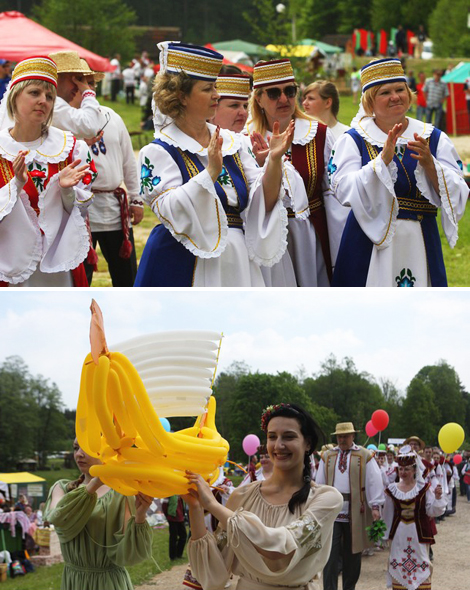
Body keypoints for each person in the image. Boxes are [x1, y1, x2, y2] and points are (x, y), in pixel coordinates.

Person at [134, 42, 293, 287]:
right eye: (208, 89)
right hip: (183, 260)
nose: (217, 95)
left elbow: (263, 199)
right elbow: (169, 210)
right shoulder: (158, 151)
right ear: (181, 96)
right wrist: (209, 174)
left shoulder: (232, 143)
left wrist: (273, 161)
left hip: (235, 260)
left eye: (215, 88)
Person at [329, 58, 468, 287]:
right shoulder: (354, 140)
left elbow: (460, 190)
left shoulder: (432, 137)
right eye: (385, 92)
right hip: (368, 244)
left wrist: (431, 165)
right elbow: (342, 189)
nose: (395, 97)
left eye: (400, 89)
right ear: (370, 102)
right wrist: (380, 162)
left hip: (421, 240)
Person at [185, 403, 343, 590]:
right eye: (272, 437)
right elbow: (214, 569)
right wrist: (195, 507)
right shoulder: (242, 495)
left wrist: (212, 504)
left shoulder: (326, 499)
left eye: (289, 436)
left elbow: (279, 549)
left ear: (307, 443)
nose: (278, 445)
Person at [0, 56, 94, 287]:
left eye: (49, 96)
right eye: (34, 93)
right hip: (10, 261)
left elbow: (81, 211)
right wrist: (16, 186)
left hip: (57, 261)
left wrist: (66, 192)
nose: (43, 101)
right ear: (14, 97)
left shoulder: (72, 148)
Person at [247, 59, 338, 286]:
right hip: (266, 235)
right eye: (274, 93)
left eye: (290, 91)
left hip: (309, 235)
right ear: (258, 98)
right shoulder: (245, 139)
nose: (284, 99)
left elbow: (335, 193)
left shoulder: (318, 135)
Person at [44, 438, 153, 590]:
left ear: (106, 450)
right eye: (76, 448)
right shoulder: (62, 487)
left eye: (87, 448)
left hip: (108, 582)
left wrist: (140, 517)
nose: (79, 454)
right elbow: (58, 518)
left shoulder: (122, 493)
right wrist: (95, 482)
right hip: (73, 581)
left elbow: (127, 555)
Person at [70, 62, 144, 287]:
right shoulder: (62, 122)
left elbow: (128, 160)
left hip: (114, 208)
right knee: (80, 281)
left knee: (127, 279)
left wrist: (136, 197)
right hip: (78, 212)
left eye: (90, 83)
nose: (87, 89)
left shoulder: (113, 117)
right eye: (81, 84)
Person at [315, 422, 385, 590]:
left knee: (353, 553)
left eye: (345, 436)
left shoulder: (364, 455)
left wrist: (375, 506)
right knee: (330, 555)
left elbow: (374, 481)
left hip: (356, 510)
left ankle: (349, 587)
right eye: (339, 436)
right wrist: (318, 505)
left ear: (353, 436)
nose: (342, 439)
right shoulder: (328, 456)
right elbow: (320, 483)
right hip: (333, 512)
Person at [383, 446, 446, 590]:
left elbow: (431, 511)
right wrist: (385, 535)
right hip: (399, 534)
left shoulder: (423, 488)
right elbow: (388, 514)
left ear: (414, 470)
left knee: (421, 562)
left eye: (407, 469)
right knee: (398, 561)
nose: (403, 472)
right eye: (400, 469)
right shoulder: (392, 489)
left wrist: (437, 497)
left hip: (418, 534)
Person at [49, 51, 106, 140]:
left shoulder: (54, 103)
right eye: (77, 79)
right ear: (57, 78)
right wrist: (88, 93)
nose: (79, 86)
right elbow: (90, 126)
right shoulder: (52, 104)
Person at [162, 496, 187, 560]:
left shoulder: (181, 494)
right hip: (172, 517)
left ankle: (179, 554)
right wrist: (168, 516)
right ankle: (173, 556)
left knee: (183, 536)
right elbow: (164, 505)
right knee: (173, 537)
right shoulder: (168, 493)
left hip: (180, 518)